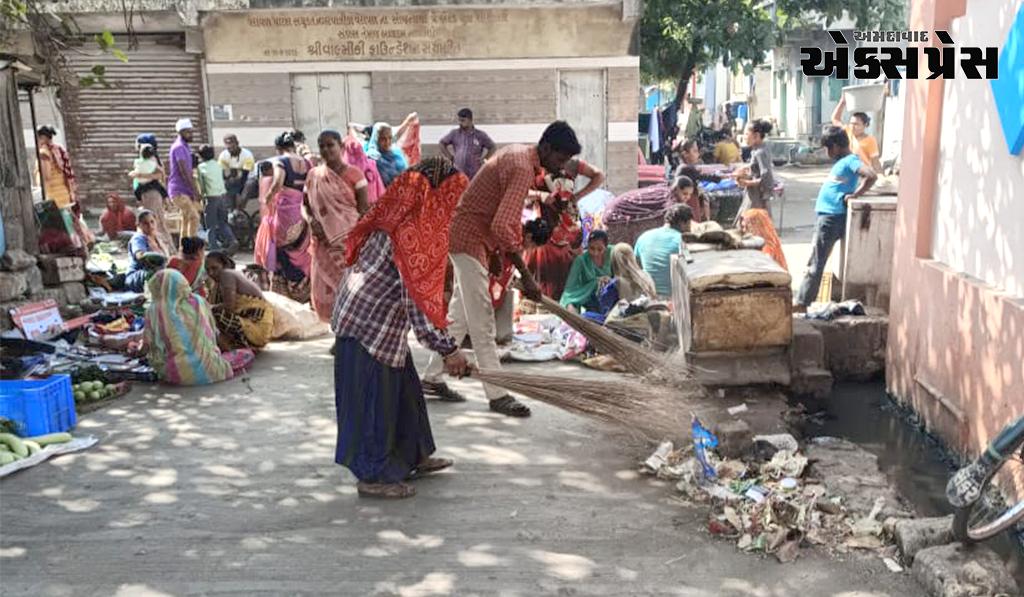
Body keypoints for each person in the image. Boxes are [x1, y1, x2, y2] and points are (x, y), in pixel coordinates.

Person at [333, 156, 472, 499]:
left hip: (374, 317)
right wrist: (449, 351)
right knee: (374, 404)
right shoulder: (411, 232)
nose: (453, 207)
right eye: (451, 198)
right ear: (433, 195)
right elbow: (418, 306)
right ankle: (373, 476)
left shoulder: (400, 214)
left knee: (406, 394)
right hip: (369, 325)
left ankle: (415, 454)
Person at [421, 121, 580, 416]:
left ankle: (431, 378)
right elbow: (502, 225)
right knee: (483, 322)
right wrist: (527, 275)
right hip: (469, 239)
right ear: (546, 148)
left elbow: (497, 219)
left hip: (470, 237)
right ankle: (498, 394)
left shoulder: (520, 156)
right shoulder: (521, 168)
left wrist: (497, 254)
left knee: (459, 317)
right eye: (559, 160)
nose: (559, 168)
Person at [795, 125, 877, 310]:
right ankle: (805, 300)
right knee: (817, 261)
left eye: (828, 148)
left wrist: (855, 194)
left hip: (831, 217)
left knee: (816, 262)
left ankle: (802, 302)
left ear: (836, 146)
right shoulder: (843, 162)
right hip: (828, 216)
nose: (827, 152)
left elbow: (871, 175)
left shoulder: (850, 160)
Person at [143, 269, 250, 386]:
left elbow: (148, 345)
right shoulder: (199, 301)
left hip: (174, 375)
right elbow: (212, 333)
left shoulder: (153, 310)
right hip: (212, 371)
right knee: (247, 354)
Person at [305, 129, 370, 322]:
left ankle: (350, 335)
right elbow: (305, 205)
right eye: (322, 146)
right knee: (327, 290)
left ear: (341, 147)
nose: (326, 150)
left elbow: (364, 210)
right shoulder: (314, 175)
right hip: (323, 241)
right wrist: (311, 222)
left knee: (351, 288)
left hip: (348, 243)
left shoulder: (354, 174)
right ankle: (338, 333)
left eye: (330, 145)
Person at [257, 132, 313, 303]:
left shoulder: (281, 162)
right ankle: (303, 286)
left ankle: (289, 285)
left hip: (285, 212)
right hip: (303, 210)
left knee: (281, 246)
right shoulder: (307, 162)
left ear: (278, 148)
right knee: (300, 248)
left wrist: (268, 198)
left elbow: (278, 182)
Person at [206, 251, 275, 351]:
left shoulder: (226, 274)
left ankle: (228, 348)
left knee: (213, 313)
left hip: (257, 326)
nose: (210, 273)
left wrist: (208, 307)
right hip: (254, 325)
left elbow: (229, 306)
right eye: (207, 270)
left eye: (214, 268)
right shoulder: (219, 281)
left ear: (224, 265)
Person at [634, 204, 693, 298]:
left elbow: (637, 265)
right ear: (683, 223)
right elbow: (692, 268)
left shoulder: (644, 236)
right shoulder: (682, 241)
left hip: (648, 295)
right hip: (674, 298)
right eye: (690, 223)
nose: (690, 228)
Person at [129, 142, 173, 251]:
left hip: (151, 194)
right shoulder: (147, 163)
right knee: (155, 221)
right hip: (148, 193)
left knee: (156, 222)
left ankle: (168, 249)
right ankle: (163, 248)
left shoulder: (143, 162)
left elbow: (160, 174)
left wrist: (141, 175)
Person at [733, 119, 776, 225]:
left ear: (756, 135)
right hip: (753, 195)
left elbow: (767, 178)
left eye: (746, 134)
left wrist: (747, 183)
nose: (744, 136)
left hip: (757, 199)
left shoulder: (760, 152)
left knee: (752, 228)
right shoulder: (758, 150)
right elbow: (756, 171)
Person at [197, 144, 238, 254]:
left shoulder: (201, 168)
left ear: (201, 156)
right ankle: (232, 240)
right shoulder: (218, 165)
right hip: (223, 196)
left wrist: (200, 196)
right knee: (223, 222)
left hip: (211, 198)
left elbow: (201, 185)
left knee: (210, 225)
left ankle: (214, 248)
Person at [560, 229, 613, 312]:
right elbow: (569, 290)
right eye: (592, 248)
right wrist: (596, 282)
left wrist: (611, 281)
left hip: (611, 298)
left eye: (600, 249)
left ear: (606, 248)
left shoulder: (612, 253)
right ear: (587, 245)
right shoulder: (581, 260)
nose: (595, 253)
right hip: (590, 299)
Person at [168, 118, 201, 249]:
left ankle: (184, 247)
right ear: (181, 133)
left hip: (184, 190)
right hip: (179, 190)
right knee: (194, 217)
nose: (191, 135)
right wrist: (194, 190)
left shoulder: (185, 147)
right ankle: (192, 247)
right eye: (188, 132)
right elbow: (184, 171)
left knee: (186, 219)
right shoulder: (179, 147)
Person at [439, 108, 496, 180]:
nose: (460, 123)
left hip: (475, 173)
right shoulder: (455, 133)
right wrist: (450, 157)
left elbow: (493, 147)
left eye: (463, 120)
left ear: (470, 120)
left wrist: (485, 159)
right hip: (459, 173)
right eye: (459, 120)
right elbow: (442, 143)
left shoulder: (480, 135)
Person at [831, 96, 882, 173]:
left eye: (856, 124)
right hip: (847, 172)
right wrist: (842, 103)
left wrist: (880, 176)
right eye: (851, 123)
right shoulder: (847, 132)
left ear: (865, 125)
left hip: (862, 173)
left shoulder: (870, 140)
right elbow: (835, 119)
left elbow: (875, 161)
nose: (852, 126)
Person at [124, 210, 170, 292]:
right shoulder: (138, 238)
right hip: (138, 276)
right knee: (160, 274)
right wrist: (160, 258)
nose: (150, 225)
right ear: (139, 225)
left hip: (157, 272)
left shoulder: (157, 238)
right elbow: (140, 255)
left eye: (152, 222)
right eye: (145, 223)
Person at [364, 122, 409, 187]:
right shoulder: (371, 157)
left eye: (390, 138)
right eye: (383, 139)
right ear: (376, 139)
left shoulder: (397, 153)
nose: (387, 142)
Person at [218, 134, 255, 209]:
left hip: (248, 179)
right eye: (228, 148)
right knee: (223, 186)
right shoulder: (223, 155)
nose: (231, 150)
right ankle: (229, 211)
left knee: (249, 184)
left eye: (233, 147)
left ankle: (239, 209)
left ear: (237, 143)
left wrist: (233, 173)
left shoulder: (247, 155)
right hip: (233, 180)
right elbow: (222, 174)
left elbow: (245, 174)